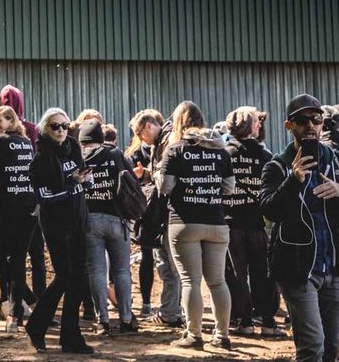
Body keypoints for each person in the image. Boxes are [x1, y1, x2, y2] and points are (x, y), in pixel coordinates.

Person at [261, 94, 339, 362]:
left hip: (335, 268)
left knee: (332, 348)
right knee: (312, 348)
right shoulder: (277, 166)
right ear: (289, 126)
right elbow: (268, 210)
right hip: (297, 269)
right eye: (302, 120)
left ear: (323, 123)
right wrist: (293, 181)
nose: (310, 125)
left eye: (316, 119)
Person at [154, 101, 236, 350]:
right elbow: (229, 188)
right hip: (216, 222)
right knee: (218, 282)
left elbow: (165, 188)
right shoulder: (221, 151)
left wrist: (157, 174)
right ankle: (222, 336)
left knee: (190, 281)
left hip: (185, 222)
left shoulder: (175, 150)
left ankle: (194, 335)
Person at [25, 108, 93, 355]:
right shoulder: (41, 158)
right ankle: (37, 325)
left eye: (65, 126)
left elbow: (84, 179)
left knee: (78, 278)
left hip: (78, 219)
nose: (61, 131)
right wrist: (73, 183)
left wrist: (85, 181)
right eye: (55, 126)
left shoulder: (73, 148)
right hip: (56, 224)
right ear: (45, 129)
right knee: (65, 276)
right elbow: (45, 196)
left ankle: (70, 337)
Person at [0, 105, 38, 332]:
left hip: (6, 207)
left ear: (11, 120)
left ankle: (16, 314)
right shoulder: (26, 142)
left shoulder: (0, 142)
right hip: (27, 206)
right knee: (17, 259)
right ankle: (23, 304)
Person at [222, 107, 277, 336]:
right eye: (256, 122)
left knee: (237, 275)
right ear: (252, 127)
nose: (259, 125)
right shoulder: (265, 156)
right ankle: (268, 322)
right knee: (262, 273)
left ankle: (244, 321)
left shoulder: (225, 154)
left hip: (231, 222)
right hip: (256, 223)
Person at [80, 119, 137, 336]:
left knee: (96, 271)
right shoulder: (115, 154)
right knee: (122, 270)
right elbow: (132, 181)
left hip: (90, 221)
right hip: (117, 219)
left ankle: (102, 320)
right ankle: (126, 318)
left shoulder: (79, 158)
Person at [127, 108, 183, 326]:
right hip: (165, 212)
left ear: (149, 126)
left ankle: (171, 313)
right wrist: (147, 175)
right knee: (166, 264)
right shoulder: (161, 142)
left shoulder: (167, 141)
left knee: (170, 266)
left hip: (169, 211)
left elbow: (168, 179)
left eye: (140, 133)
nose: (140, 139)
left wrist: (152, 176)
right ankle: (171, 310)